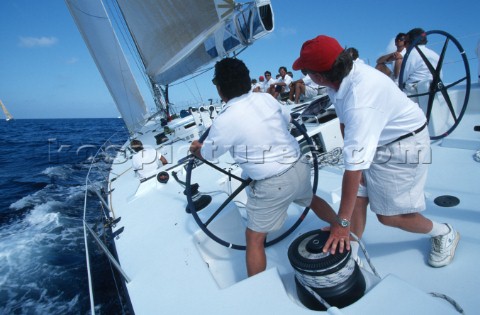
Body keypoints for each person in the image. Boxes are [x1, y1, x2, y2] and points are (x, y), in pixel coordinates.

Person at [292, 35, 460, 268]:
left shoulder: (360, 99)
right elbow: (344, 123)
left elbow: (352, 168)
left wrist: (340, 223)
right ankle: (351, 246)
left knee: (390, 216)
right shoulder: (340, 77)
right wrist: (356, 160)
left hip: (404, 144)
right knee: (358, 198)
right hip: (378, 140)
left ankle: (444, 232)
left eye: (307, 71)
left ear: (318, 76)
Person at [189, 58, 338, 276]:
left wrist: (196, 148)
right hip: (300, 167)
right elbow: (287, 120)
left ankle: (259, 292)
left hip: (273, 186)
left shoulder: (225, 120)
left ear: (219, 88)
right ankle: (340, 227)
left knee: (254, 238)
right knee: (312, 199)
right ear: (246, 80)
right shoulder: (266, 100)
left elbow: (209, 154)